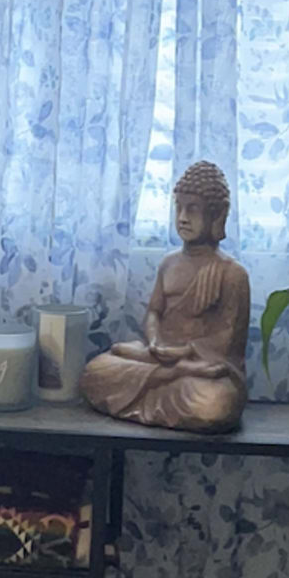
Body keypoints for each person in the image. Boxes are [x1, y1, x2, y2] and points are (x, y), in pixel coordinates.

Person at [78, 161, 251, 434]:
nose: (182, 217)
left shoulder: (232, 274)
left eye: (192, 209)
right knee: (96, 371)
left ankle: (168, 377)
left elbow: (228, 341)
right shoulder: (169, 264)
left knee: (216, 402)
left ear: (216, 215)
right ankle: (168, 375)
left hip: (201, 367)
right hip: (161, 358)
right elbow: (154, 313)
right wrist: (157, 341)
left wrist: (185, 352)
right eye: (179, 207)